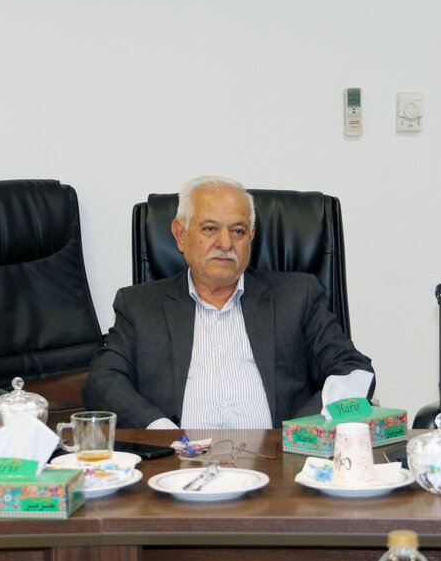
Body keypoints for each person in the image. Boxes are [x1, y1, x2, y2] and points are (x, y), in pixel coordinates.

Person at [83, 176, 374, 429]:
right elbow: (103, 381)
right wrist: (162, 432)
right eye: (210, 229)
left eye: (238, 231)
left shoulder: (298, 296)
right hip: (177, 461)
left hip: (278, 460)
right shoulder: (138, 305)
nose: (225, 244)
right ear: (181, 235)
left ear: (251, 238)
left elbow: (353, 370)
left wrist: (300, 432)